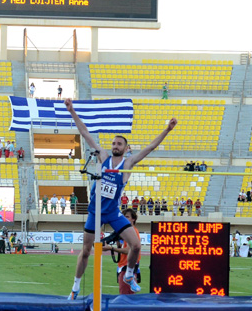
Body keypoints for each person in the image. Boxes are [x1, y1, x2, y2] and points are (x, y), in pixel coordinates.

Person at [65, 97, 177, 299]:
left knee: (136, 245)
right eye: (114, 143)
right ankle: (75, 287)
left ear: (126, 148)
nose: (115, 145)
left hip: (114, 213)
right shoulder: (103, 156)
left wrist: (167, 130)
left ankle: (129, 275)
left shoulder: (128, 164)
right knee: (85, 251)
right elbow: (85, 133)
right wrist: (72, 111)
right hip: (95, 212)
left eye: (119, 143)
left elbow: (150, 147)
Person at [103, 208, 141, 295]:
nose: (125, 219)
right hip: (124, 266)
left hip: (127, 267)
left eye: (127, 217)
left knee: (125, 298)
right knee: (126, 295)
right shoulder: (125, 232)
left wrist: (111, 248)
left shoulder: (133, 231)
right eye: (123, 217)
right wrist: (117, 244)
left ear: (133, 219)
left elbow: (128, 250)